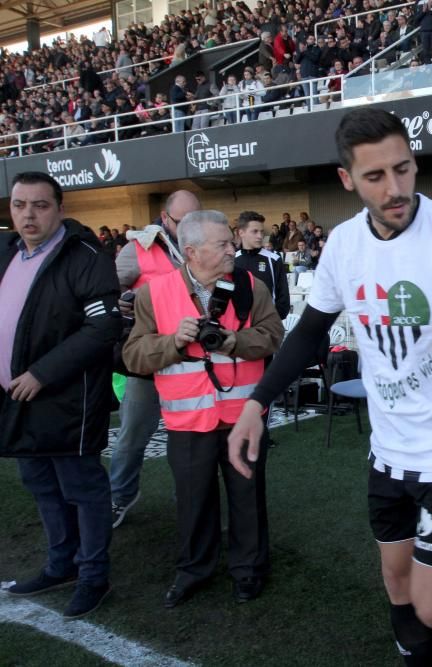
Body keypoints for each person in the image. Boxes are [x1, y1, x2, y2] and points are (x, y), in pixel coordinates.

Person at [226, 108, 432, 666]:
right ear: (347, 180)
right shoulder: (342, 245)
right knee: (397, 581)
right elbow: (310, 331)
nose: (395, 188)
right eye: (376, 177)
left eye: (403, 169)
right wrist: (256, 403)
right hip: (388, 453)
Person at [122, 210, 283, 608]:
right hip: (188, 420)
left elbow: (274, 337)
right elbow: (134, 356)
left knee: (247, 498)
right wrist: (173, 341)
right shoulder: (153, 293)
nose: (234, 249)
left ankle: (249, 570)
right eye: (224, 244)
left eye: (231, 241)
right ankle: (194, 569)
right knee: (193, 502)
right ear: (191, 252)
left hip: (242, 418)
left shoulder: (252, 285)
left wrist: (233, 342)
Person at [1, 172, 121, 618]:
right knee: (40, 484)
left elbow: (104, 326)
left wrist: (43, 372)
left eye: (39, 205)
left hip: (66, 397)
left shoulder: (85, 255)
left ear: (59, 208)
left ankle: (93, 576)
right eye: (19, 205)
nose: (28, 215)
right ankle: (61, 564)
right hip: (15, 398)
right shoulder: (7, 251)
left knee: (81, 487)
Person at [109, 190, 201, 529]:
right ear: (165, 218)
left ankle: (190, 501)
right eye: (182, 221)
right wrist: (119, 303)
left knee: (190, 439)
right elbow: (107, 290)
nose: (189, 228)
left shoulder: (202, 247)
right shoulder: (139, 248)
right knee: (132, 432)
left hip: (192, 359)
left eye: (195, 220)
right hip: (148, 358)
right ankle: (120, 495)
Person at [235, 211, 291, 321]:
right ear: (241, 232)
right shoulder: (232, 259)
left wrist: (274, 320)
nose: (260, 236)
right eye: (255, 232)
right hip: (239, 327)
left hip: (267, 324)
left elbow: (283, 295)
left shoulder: (274, 259)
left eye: (262, 232)